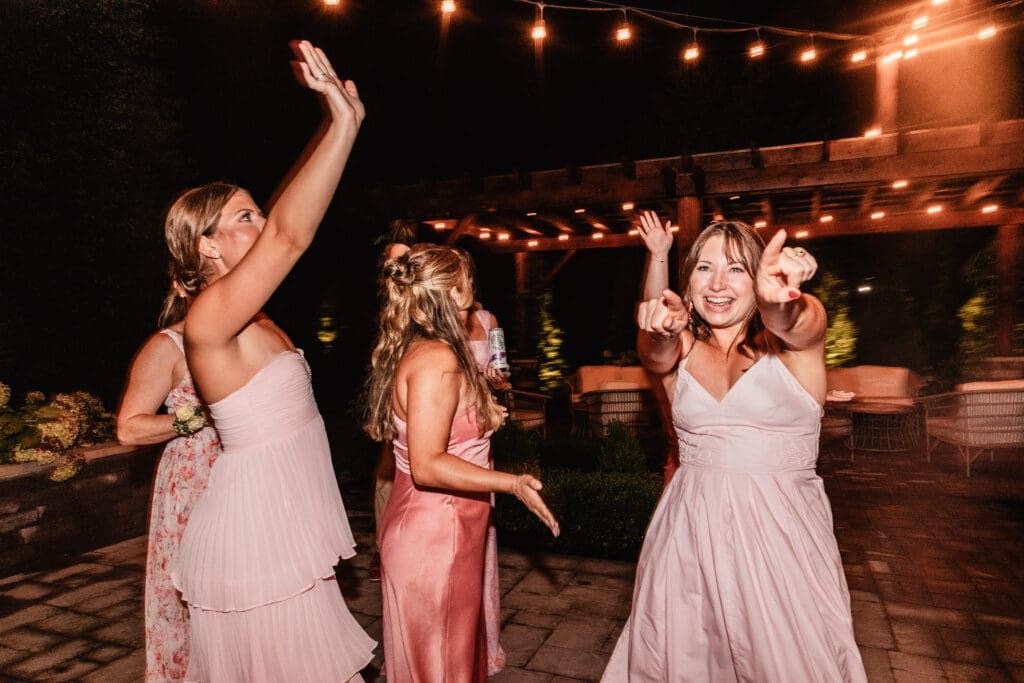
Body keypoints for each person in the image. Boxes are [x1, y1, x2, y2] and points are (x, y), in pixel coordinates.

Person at [167, 41, 375, 681]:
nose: (263, 223)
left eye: (258, 211)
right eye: (244, 217)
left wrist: (348, 123)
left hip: (286, 526)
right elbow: (292, 232)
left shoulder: (256, 316)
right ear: (205, 245)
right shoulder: (207, 318)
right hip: (254, 535)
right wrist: (339, 124)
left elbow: (285, 225)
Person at [603, 218, 867, 681]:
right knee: (684, 660)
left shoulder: (791, 346)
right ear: (688, 282)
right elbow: (653, 348)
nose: (718, 283)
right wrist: (659, 324)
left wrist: (776, 301)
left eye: (736, 269)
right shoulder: (681, 349)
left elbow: (797, 321)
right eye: (704, 268)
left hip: (779, 539)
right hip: (687, 535)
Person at [364, 243, 559, 682]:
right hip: (437, 536)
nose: (473, 285)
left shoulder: (429, 351)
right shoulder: (440, 361)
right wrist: (512, 483)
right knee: (442, 666)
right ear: (454, 293)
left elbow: (446, 429)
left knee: (450, 660)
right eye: (467, 277)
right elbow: (428, 464)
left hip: (445, 529)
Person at [117, 280, 221, 682]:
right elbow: (129, 429)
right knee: (188, 598)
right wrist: (202, 416)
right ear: (182, 287)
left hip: (247, 474)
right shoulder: (167, 346)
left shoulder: (255, 334)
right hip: (193, 481)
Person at [636, 210, 680, 487]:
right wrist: (659, 256)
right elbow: (657, 319)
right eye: (704, 268)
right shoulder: (683, 340)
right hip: (685, 474)